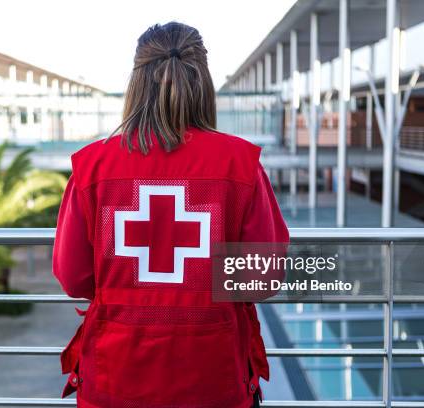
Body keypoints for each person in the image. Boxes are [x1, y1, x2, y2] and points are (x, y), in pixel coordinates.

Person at [53, 21, 289, 408]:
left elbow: (74, 277)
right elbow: (260, 280)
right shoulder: (240, 164)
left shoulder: (91, 167)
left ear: (136, 82)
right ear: (204, 82)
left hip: (117, 376)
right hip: (213, 378)